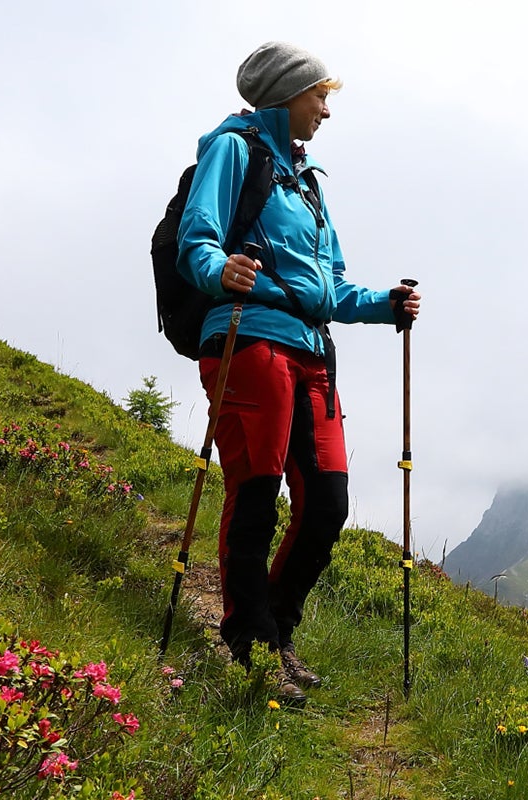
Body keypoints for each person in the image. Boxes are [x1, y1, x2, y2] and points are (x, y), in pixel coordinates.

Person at [177, 42, 422, 698]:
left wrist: (386, 306)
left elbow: (332, 288)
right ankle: (252, 644)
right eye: (321, 95)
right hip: (247, 337)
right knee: (255, 494)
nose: (326, 110)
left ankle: (277, 631)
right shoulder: (235, 150)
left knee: (327, 505)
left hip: (313, 356)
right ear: (288, 95)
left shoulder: (309, 184)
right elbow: (196, 239)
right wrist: (219, 269)